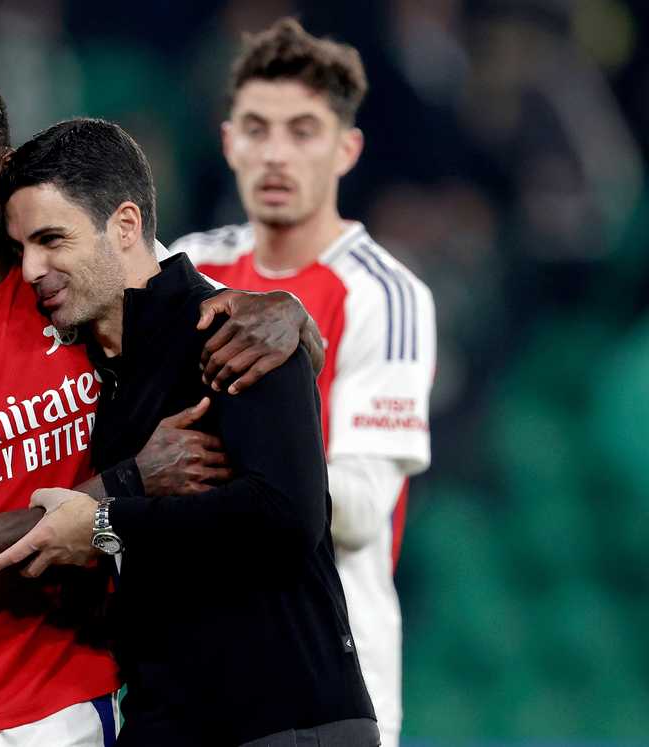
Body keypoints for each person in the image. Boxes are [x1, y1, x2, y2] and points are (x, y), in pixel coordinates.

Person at [0, 69, 321, 746]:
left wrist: (289, 313)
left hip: (89, 699)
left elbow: (207, 314)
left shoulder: (69, 277)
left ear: (4, 169)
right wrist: (127, 484)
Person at [0, 118, 379, 746]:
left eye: (51, 239)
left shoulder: (240, 333)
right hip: (166, 720)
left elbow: (287, 517)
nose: (32, 268)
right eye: (20, 250)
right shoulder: (94, 376)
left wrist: (107, 523)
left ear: (125, 225)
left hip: (285, 720)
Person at [169, 20, 437, 747]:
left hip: (328, 676)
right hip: (197, 665)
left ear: (346, 149)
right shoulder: (188, 267)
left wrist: (217, 473)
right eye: (257, 129)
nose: (276, 153)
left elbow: (361, 508)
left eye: (303, 130)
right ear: (230, 142)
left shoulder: (387, 294)